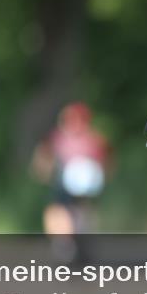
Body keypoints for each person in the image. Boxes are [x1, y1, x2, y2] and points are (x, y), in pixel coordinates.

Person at [32, 102, 111, 261]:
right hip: (61, 186)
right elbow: (42, 158)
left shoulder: (92, 139)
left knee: (82, 215)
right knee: (57, 213)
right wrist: (44, 170)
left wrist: (99, 175)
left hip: (84, 189)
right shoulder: (57, 138)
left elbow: (105, 160)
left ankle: (80, 244)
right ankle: (64, 244)